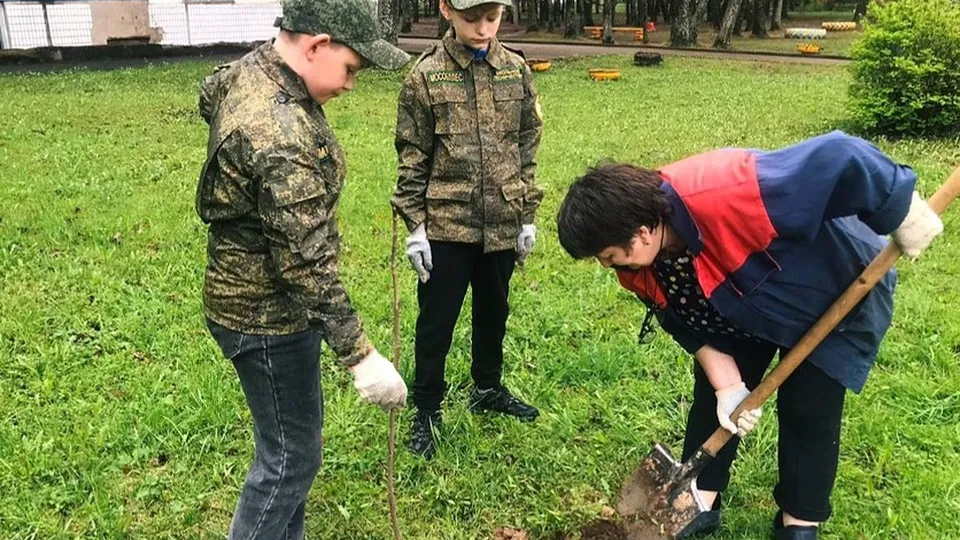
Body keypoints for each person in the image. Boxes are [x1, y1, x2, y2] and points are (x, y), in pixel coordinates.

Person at [556, 131, 943, 539]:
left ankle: (799, 519)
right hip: (739, 302)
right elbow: (683, 323)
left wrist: (900, 207)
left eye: (608, 255)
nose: (607, 266)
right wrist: (727, 385)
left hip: (829, 288)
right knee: (711, 396)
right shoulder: (635, 267)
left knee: (810, 408)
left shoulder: (726, 190)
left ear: (641, 232)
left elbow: (839, 154)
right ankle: (699, 494)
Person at [195, 0, 410, 537]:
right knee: (290, 462)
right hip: (265, 315)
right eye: (352, 69)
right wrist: (361, 357)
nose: (350, 85)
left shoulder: (252, 71)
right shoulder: (281, 134)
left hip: (249, 299)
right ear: (315, 45)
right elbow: (306, 264)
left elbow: (209, 92)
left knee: (293, 453)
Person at [391, 0, 544, 459]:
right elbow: (412, 155)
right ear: (446, 11)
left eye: (492, 18)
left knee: (494, 312)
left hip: (501, 220)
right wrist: (415, 224)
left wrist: (527, 214)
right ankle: (427, 409)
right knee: (436, 321)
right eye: (471, 17)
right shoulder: (425, 75)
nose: (482, 28)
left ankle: (487, 387)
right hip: (447, 226)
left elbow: (526, 145)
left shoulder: (515, 70)